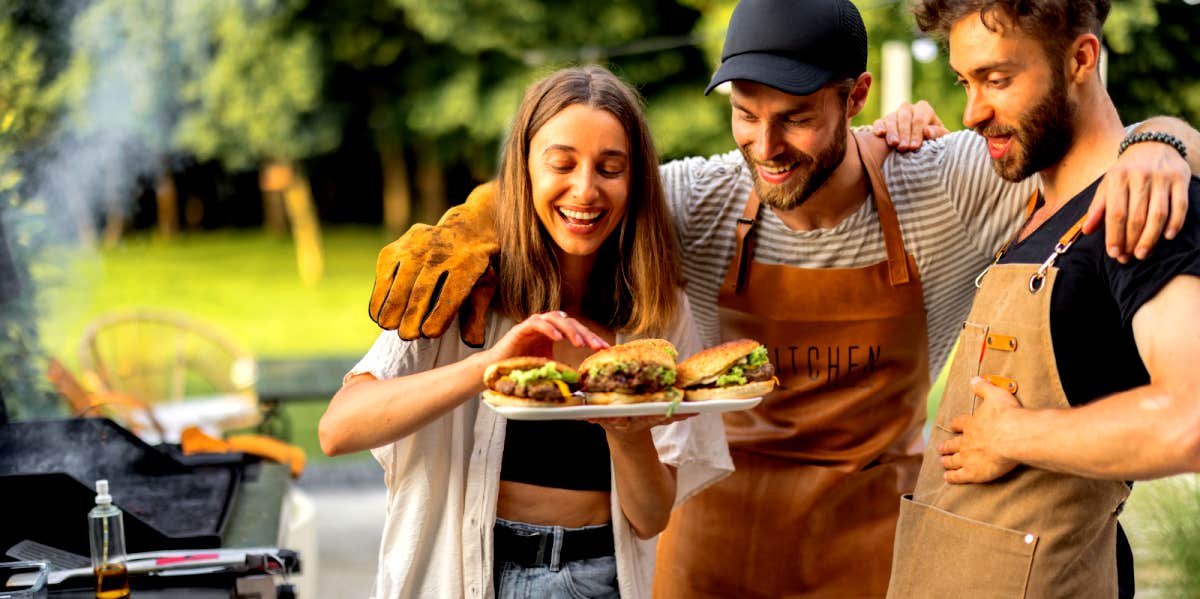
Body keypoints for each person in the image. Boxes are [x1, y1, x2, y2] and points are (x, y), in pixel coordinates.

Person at [364, 0, 1200, 596]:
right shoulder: (701, 200)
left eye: (797, 117)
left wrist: (1165, 140)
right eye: (746, 114)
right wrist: (474, 219)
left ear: (857, 97)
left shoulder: (949, 185)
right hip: (710, 555)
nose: (767, 147)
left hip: (867, 556)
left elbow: (1084, 152)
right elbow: (580, 183)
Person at [319, 66, 732, 599]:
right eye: (561, 164)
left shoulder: (657, 313)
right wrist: (488, 365)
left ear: (635, 182)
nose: (585, 190)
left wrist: (627, 435)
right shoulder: (470, 286)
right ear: (525, 171)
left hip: (597, 579)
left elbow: (650, 518)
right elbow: (338, 429)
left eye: (610, 168)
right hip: (471, 575)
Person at [887, 1, 1200, 597]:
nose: (973, 112)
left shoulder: (1140, 209)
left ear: (1081, 58)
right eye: (964, 82)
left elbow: (1192, 420)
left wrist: (1013, 436)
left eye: (997, 80)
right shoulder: (1033, 210)